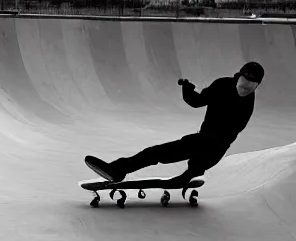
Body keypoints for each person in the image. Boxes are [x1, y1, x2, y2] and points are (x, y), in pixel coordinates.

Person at [88, 61, 265, 183]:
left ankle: (191, 174)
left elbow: (229, 135)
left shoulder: (248, 105)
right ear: (238, 77)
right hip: (203, 140)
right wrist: (187, 89)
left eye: (249, 88)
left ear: (256, 86)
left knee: (161, 153)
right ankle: (118, 169)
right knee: (156, 153)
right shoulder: (221, 85)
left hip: (213, 146)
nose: (245, 90)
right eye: (243, 86)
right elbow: (197, 101)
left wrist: (196, 167)